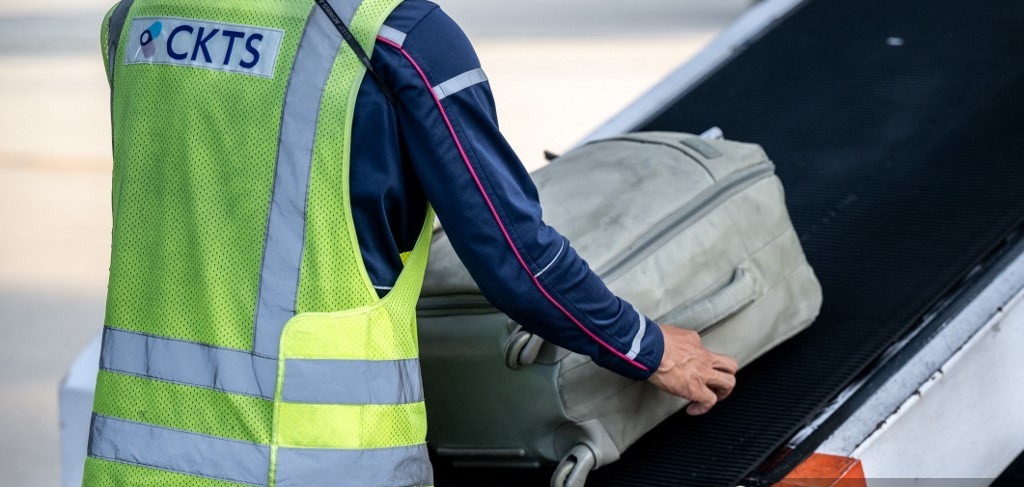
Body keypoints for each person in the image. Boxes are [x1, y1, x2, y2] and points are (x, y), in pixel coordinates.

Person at [84, 0, 737, 486]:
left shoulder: (138, 21)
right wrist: (646, 345)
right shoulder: (393, 38)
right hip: (314, 464)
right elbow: (515, 256)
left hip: (135, 461)